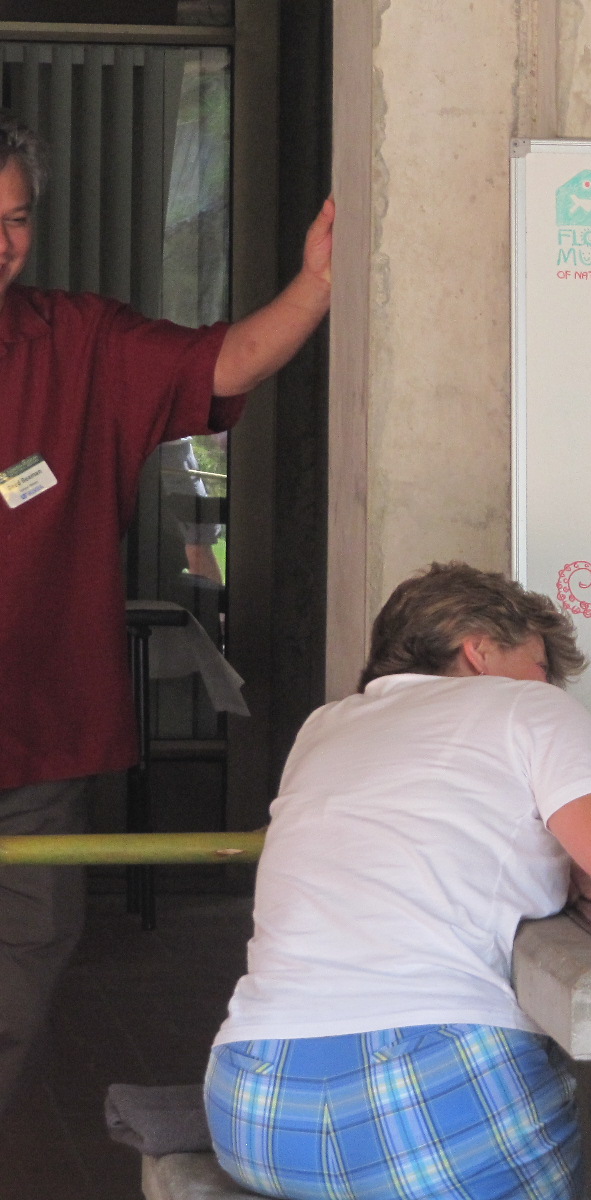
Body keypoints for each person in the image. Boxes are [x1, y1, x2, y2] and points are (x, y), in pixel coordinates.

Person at [204, 563, 591, 1200]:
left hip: (255, 1106)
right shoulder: (527, 707)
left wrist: (572, 860)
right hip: (432, 1098)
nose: (548, 684)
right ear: (478, 651)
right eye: (538, 664)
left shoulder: (325, 726)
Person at [0, 111, 333, 1118]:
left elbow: (218, 365)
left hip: (37, 742)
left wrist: (319, 282)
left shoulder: (77, 341)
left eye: (15, 219)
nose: (1, 244)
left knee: (25, 961)